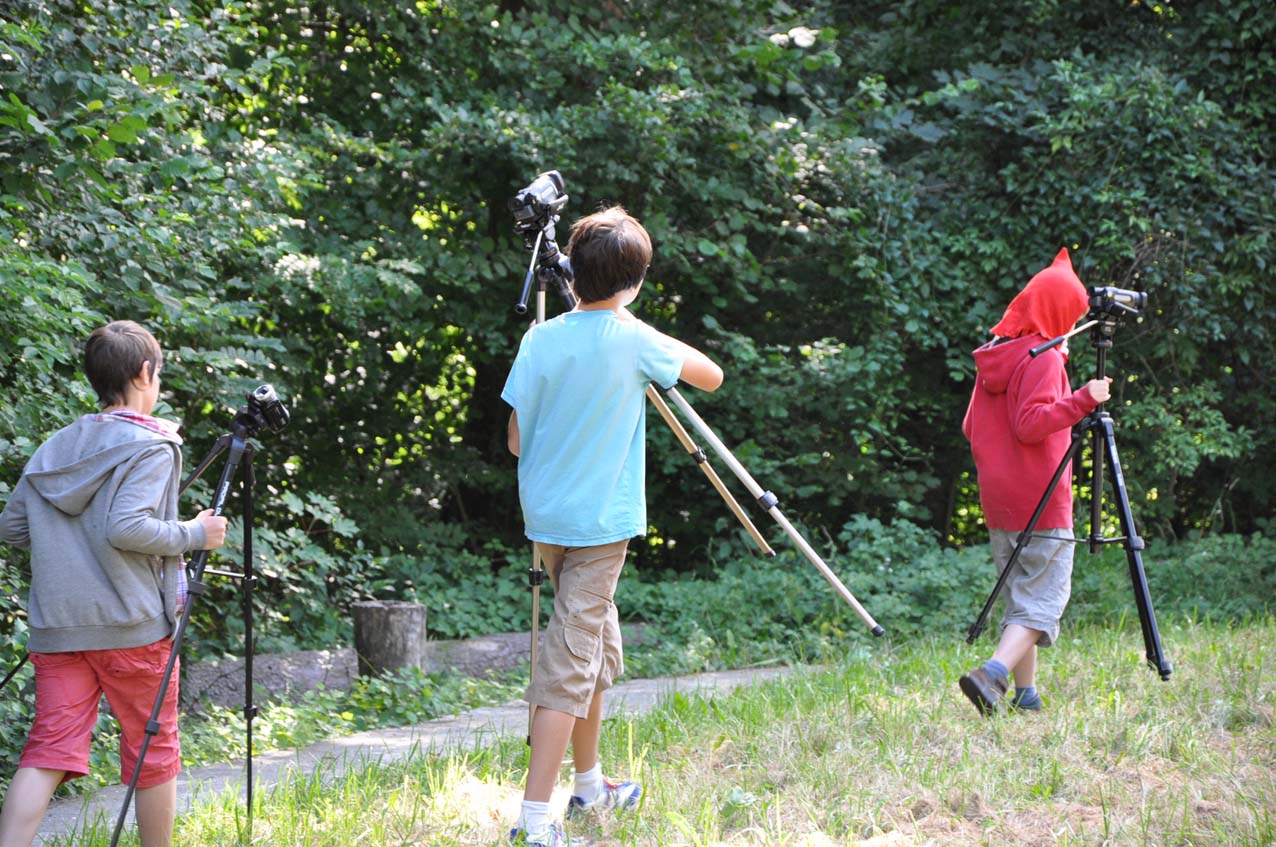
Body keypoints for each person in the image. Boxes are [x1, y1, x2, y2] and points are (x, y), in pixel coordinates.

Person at [502, 207, 723, 846]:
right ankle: (534, 821)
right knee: (569, 664)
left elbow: (515, 440)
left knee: (592, 648)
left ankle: (591, 786)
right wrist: (631, 321)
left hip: (547, 521)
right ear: (636, 282)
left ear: (572, 273)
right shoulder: (633, 339)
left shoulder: (540, 338)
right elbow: (712, 376)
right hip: (599, 527)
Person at [0, 320, 227, 847]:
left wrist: (67, 545)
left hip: (59, 627)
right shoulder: (151, 446)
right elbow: (126, 527)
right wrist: (196, 533)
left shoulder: (57, 446)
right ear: (145, 373)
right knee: (153, 750)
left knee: (48, 750)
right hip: (132, 627)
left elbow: (12, 528)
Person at [958, 248, 1111, 715]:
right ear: (1060, 312)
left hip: (999, 498)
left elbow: (970, 426)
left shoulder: (996, 357)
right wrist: (1083, 399)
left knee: (1020, 599)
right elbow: (1030, 425)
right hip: (1041, 498)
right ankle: (992, 673)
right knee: (1045, 598)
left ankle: (1026, 695)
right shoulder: (1044, 359)